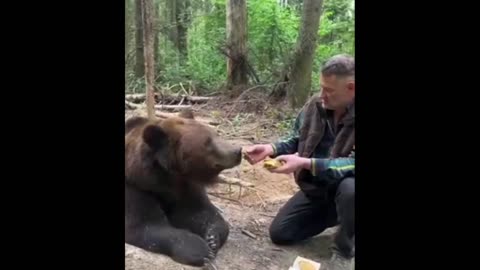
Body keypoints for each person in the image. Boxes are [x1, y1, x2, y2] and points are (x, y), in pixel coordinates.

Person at [244, 54, 355, 270]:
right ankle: (344, 218)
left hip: (347, 188)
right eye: (322, 87)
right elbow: (297, 137)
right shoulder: (316, 105)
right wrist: (271, 148)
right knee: (281, 233)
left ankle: (344, 249)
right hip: (318, 189)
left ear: (351, 88)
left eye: (329, 90)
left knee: (350, 189)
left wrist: (305, 163)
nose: (322, 94)